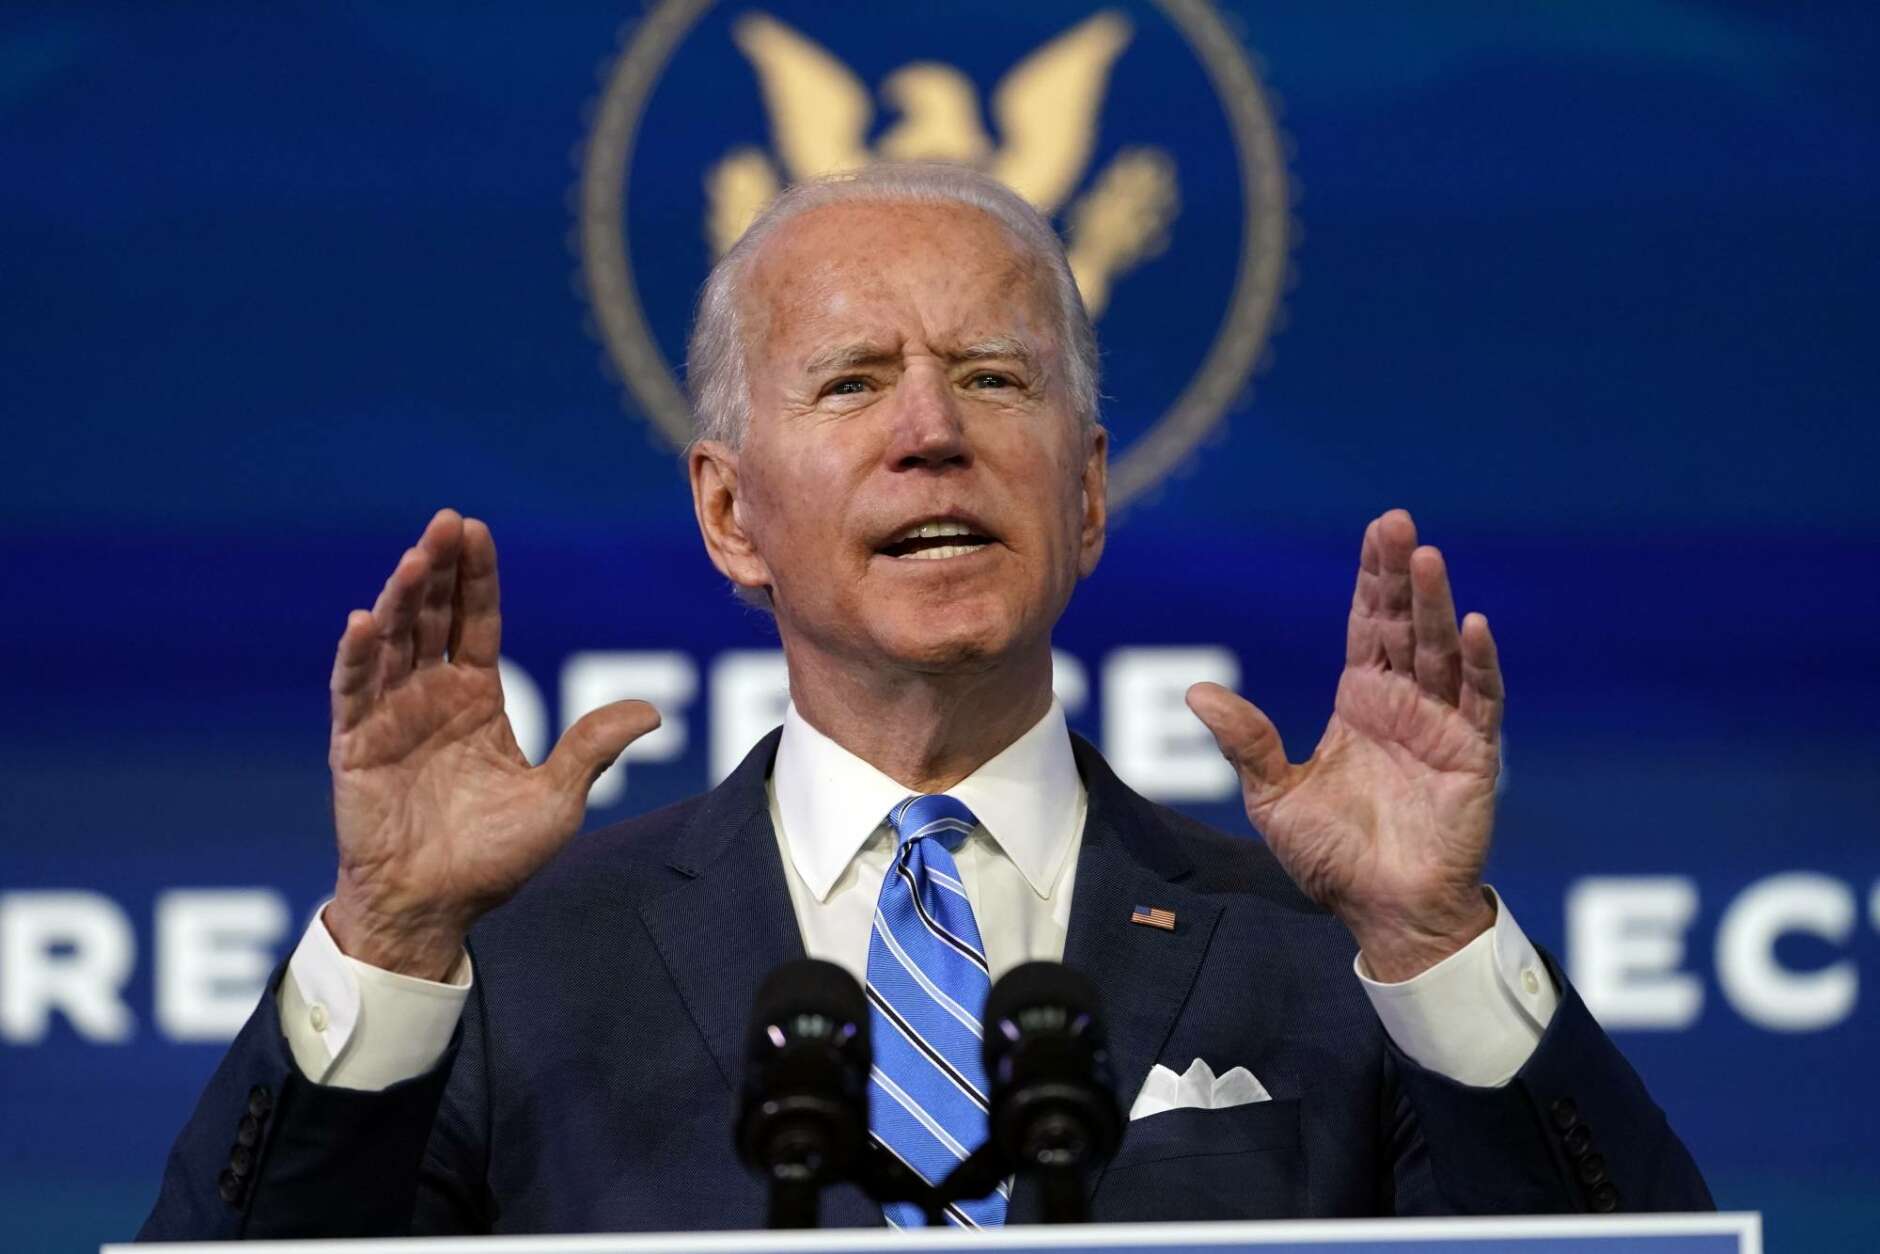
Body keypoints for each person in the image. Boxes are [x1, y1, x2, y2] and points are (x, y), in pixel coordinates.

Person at [138, 163, 1710, 1238]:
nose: (932, 433)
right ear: (729, 513)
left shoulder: (1323, 951)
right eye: (850, 382)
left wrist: (1434, 941)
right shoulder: (525, 966)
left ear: (1087, 498)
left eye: (995, 376)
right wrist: (394, 941)